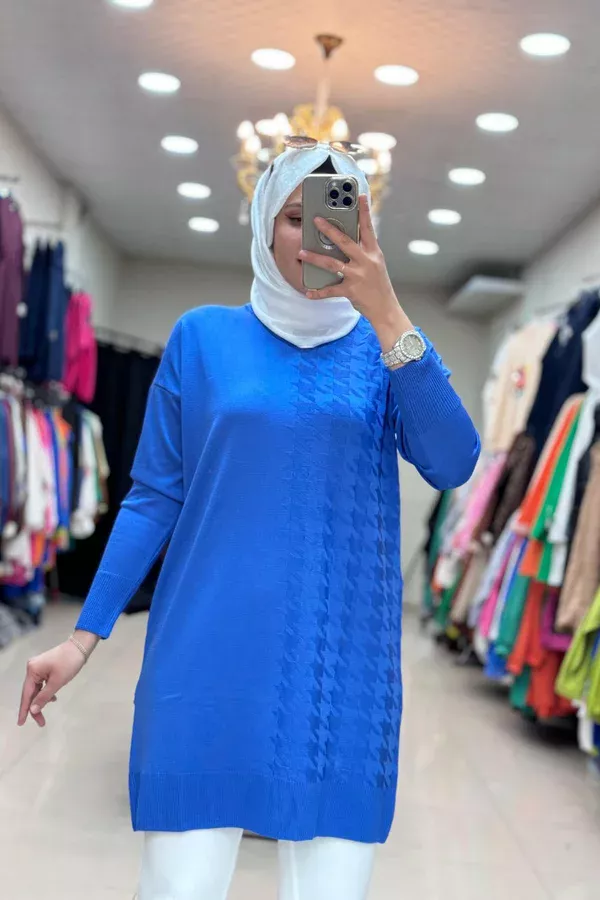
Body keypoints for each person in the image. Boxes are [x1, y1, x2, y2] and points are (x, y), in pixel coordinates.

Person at [18, 143, 480, 900]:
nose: (314, 236)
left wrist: (388, 312)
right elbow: (153, 497)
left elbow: (454, 462)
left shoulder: (387, 350)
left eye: (335, 218)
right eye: (295, 217)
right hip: (204, 659)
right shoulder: (202, 337)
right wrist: (82, 638)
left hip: (341, 673)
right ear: (265, 224)